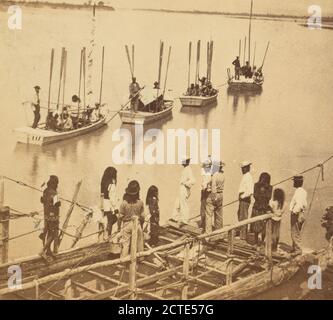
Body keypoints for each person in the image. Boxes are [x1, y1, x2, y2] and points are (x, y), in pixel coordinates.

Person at [119, 180, 145, 257]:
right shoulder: (140, 203)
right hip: (137, 224)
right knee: (139, 241)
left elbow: (120, 217)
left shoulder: (124, 203)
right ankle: (140, 257)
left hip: (126, 225)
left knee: (125, 244)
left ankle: (123, 260)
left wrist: (119, 227)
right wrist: (141, 226)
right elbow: (142, 216)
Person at [39, 175, 61, 259]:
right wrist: (59, 201)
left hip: (46, 215)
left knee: (48, 232)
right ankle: (43, 251)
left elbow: (42, 201)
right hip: (53, 217)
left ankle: (48, 251)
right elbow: (57, 205)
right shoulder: (55, 193)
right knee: (53, 234)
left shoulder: (45, 191)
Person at [171, 156, 196, 225]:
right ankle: (174, 217)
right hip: (182, 188)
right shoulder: (185, 169)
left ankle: (185, 220)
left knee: (183, 204)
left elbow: (193, 180)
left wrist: (185, 183)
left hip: (184, 188)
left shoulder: (188, 169)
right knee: (177, 203)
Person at [251, 172, 273, 248]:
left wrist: (264, 190)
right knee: (256, 226)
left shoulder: (269, 187)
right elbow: (255, 196)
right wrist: (261, 190)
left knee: (264, 227)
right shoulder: (256, 185)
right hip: (257, 208)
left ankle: (262, 241)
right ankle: (256, 242)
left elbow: (269, 197)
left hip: (264, 209)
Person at [206, 160, 225, 234]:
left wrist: (212, 197)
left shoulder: (214, 175)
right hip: (221, 194)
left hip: (214, 194)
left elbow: (213, 188)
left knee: (209, 214)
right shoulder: (222, 175)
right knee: (219, 214)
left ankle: (208, 233)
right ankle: (219, 232)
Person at [289, 175, 307, 255]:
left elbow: (299, 204)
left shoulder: (299, 192)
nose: (293, 183)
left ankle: (298, 250)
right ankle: (295, 248)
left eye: (294, 181)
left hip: (297, 214)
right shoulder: (303, 191)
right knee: (296, 231)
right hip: (300, 214)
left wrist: (294, 212)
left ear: (297, 182)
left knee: (295, 231)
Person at [237, 161, 254, 240]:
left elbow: (250, 191)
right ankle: (242, 233)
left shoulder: (248, 177)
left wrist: (242, 196)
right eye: (242, 168)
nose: (242, 170)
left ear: (247, 168)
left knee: (243, 216)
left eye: (243, 168)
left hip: (245, 199)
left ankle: (243, 235)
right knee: (240, 215)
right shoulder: (245, 176)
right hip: (242, 199)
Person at [101, 167, 118, 238]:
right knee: (112, 220)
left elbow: (102, 195)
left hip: (104, 205)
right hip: (110, 206)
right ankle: (108, 235)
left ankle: (105, 234)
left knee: (107, 220)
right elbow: (112, 200)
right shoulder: (112, 185)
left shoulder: (104, 183)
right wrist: (115, 208)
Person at [200, 158, 212, 230]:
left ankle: (204, 225)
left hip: (205, 192)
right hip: (206, 192)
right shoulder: (209, 174)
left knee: (204, 208)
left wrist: (204, 189)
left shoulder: (207, 174)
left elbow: (205, 185)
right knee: (206, 209)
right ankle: (204, 224)